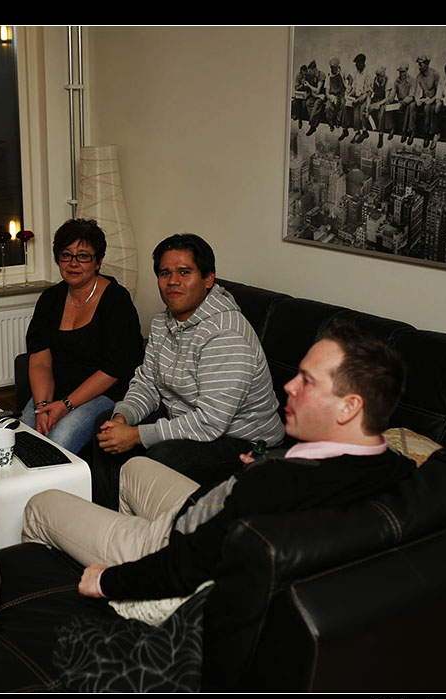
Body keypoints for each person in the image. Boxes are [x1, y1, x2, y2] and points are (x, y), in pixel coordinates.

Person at [22, 320, 415, 602]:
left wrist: (107, 581)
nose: (289, 386)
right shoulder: (398, 468)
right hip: (204, 508)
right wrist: (261, 464)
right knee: (134, 467)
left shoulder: (275, 484)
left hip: (171, 546)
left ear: (349, 407)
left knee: (41, 504)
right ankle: (111, 537)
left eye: (307, 381)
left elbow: (184, 567)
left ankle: (78, 592)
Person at [88, 234, 284, 508]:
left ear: (208, 279)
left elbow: (210, 422)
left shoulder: (226, 333)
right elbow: (147, 382)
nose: (173, 281)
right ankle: (109, 516)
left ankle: (147, 530)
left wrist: (135, 435)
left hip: (243, 439)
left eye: (184, 272)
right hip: (185, 416)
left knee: (161, 458)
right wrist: (123, 418)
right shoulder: (162, 322)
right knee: (105, 425)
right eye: (164, 273)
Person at [21, 218, 143, 454]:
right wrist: (43, 406)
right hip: (58, 389)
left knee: (57, 441)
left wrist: (65, 405)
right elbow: (40, 361)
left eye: (83, 256)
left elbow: (114, 369)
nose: (73, 263)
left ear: (98, 261)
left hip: (104, 393)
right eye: (66, 255)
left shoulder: (116, 300)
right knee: (23, 436)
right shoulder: (50, 299)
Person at [413, 54, 440, 148]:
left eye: (421, 64)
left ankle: (432, 134)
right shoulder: (419, 77)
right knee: (421, 107)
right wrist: (418, 100)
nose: (419, 67)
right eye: (419, 64)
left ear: (427, 64)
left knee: (429, 108)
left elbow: (439, 92)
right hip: (426, 100)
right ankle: (425, 133)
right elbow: (416, 92)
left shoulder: (435, 74)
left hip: (435, 100)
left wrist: (432, 100)